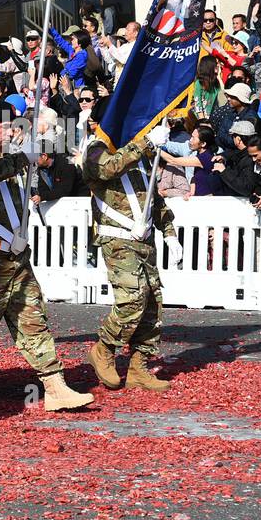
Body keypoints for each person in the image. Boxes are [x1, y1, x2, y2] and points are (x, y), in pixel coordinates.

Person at [0, 101, 93, 414]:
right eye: (3, 126)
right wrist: (21, 160)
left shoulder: (15, 160)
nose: (9, 131)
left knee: (33, 320)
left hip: (16, 257)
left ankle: (55, 385)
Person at [80, 104, 180, 392]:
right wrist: (146, 143)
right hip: (117, 239)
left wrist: (169, 232)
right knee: (132, 300)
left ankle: (139, 367)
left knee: (151, 305)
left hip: (144, 240)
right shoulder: (95, 150)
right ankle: (104, 350)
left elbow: (153, 198)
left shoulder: (139, 154)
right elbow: (108, 168)